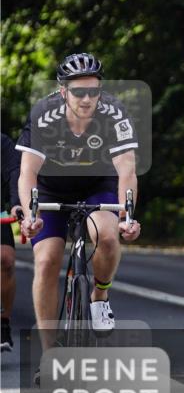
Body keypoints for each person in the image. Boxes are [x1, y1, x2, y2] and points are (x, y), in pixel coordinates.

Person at [16, 53, 142, 351]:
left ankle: (100, 296)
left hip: (97, 185)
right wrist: (30, 215)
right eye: (78, 92)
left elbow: (126, 169)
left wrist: (126, 216)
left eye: (93, 91)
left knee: (108, 238)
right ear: (63, 91)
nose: (87, 99)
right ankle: (49, 352)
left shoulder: (114, 113)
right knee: (47, 261)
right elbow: (27, 173)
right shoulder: (45, 114)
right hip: (51, 189)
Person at [1, 133, 21, 352]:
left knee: (5, 260)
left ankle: (3, 323)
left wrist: (17, 204)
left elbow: (15, 173)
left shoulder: (2, 143)